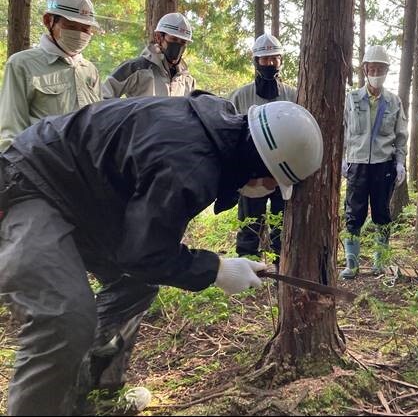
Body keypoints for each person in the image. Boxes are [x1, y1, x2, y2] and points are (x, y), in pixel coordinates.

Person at [0, 92, 323, 415]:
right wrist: (216, 270)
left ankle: (94, 391)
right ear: (258, 164)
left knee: (135, 284)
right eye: (270, 181)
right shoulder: (190, 164)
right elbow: (145, 254)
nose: (266, 189)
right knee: (64, 317)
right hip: (32, 183)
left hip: (84, 198)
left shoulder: (211, 129)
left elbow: (142, 251)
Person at [0, 0, 101, 152]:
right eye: (71, 26)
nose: (80, 34)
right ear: (48, 21)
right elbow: (11, 134)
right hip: (43, 169)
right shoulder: (22, 64)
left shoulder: (89, 70)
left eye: (85, 29)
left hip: (86, 170)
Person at [340, 45, 408, 279]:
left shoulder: (393, 102)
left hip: (383, 164)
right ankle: (352, 263)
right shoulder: (351, 99)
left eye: (381, 69)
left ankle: (380, 261)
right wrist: (341, 159)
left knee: (382, 213)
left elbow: (401, 136)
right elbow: (343, 131)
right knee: (353, 213)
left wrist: (400, 162)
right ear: (365, 69)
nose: (376, 72)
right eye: (372, 68)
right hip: (357, 163)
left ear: (387, 71)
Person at [229, 33, 296, 268]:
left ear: (281, 61)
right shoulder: (240, 96)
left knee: (282, 225)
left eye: (274, 59)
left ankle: (282, 267)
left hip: (283, 173)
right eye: (264, 60)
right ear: (255, 61)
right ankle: (248, 269)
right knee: (249, 224)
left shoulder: (293, 95)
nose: (269, 64)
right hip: (251, 176)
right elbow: (228, 135)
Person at [101, 12, 196, 98]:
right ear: (159, 37)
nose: (178, 46)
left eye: (183, 42)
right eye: (174, 39)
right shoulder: (135, 68)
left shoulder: (187, 80)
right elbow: (104, 95)